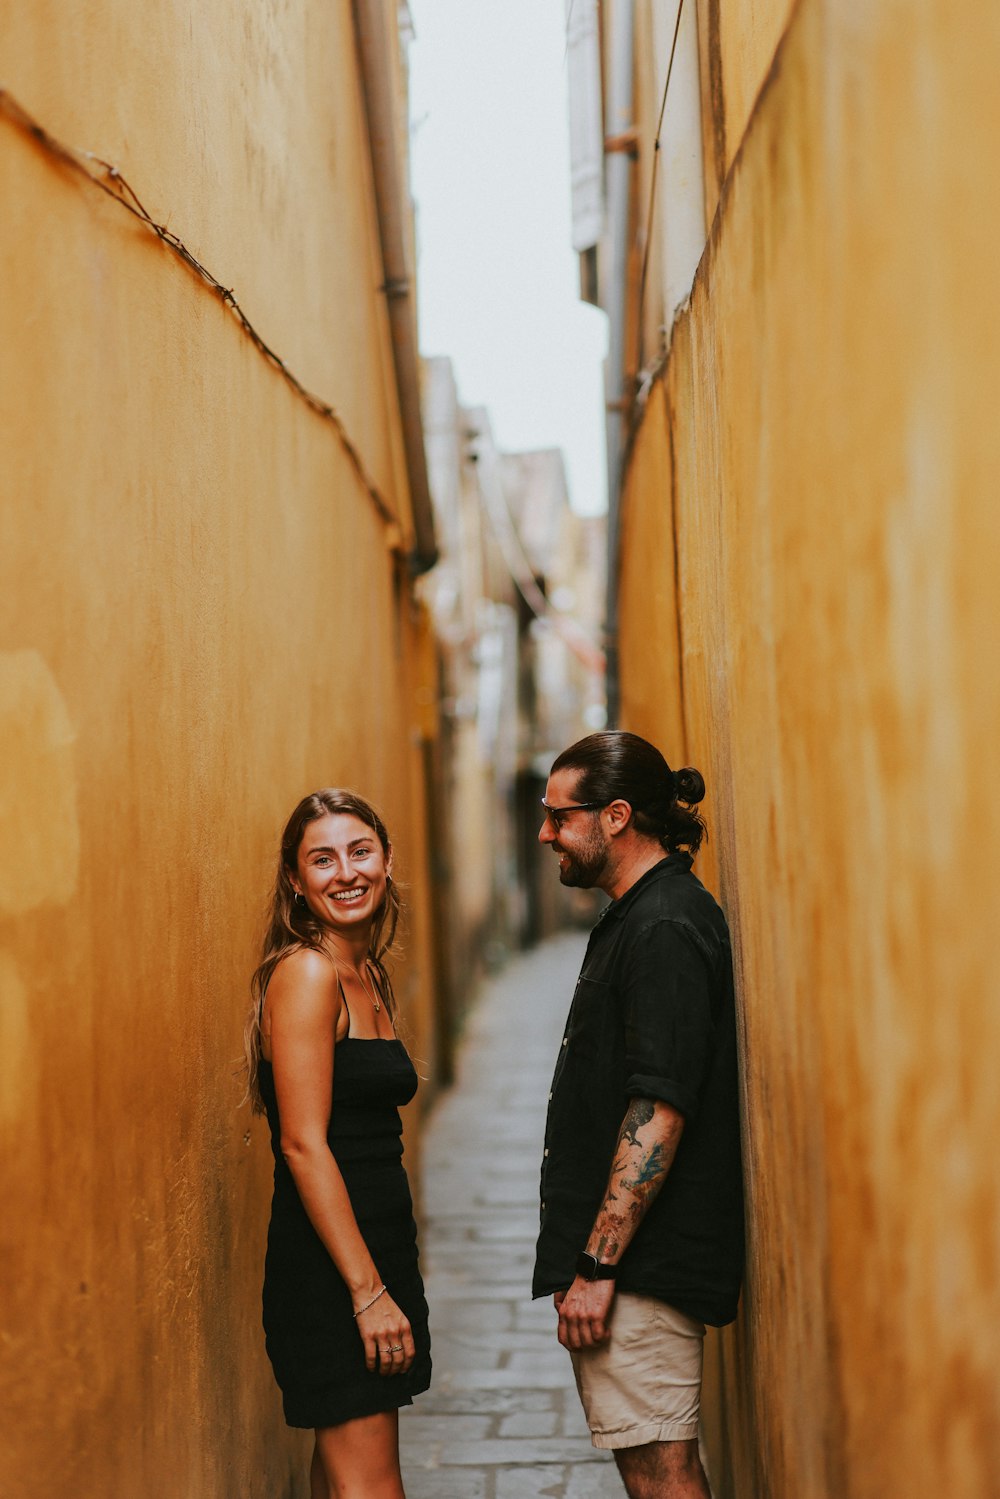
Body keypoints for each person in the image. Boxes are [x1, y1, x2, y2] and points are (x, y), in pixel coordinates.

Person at [532, 732, 744, 1499]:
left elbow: (659, 1109)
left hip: (640, 1272)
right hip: (634, 1267)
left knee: (661, 1474)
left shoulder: (661, 926)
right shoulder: (643, 913)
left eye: (560, 815)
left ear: (616, 815)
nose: (547, 831)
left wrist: (597, 1264)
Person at [243, 789, 431, 1499]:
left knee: (344, 1480)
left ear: (386, 859)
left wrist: (383, 1277)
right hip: (332, 1271)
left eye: (360, 851)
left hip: (375, 1245)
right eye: (322, 859)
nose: (345, 872)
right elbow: (302, 1144)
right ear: (296, 879)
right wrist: (367, 1292)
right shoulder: (309, 973)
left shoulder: (368, 971)